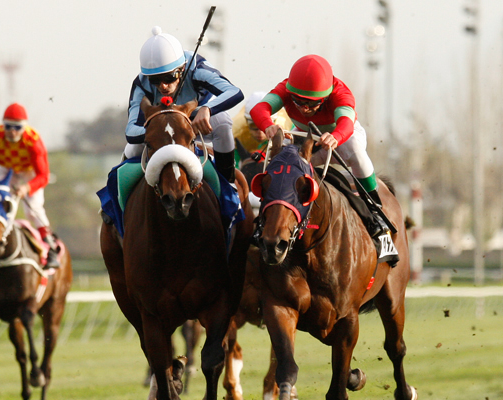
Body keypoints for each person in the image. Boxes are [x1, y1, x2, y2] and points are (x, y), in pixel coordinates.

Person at [249, 54, 390, 242]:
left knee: (357, 152)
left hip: (341, 136)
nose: (304, 108)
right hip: (306, 135)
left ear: (326, 96)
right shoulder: (285, 87)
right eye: (298, 101)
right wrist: (268, 125)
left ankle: (375, 210)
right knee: (279, 161)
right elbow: (258, 109)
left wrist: (336, 136)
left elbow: (346, 123)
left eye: (311, 103)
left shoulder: (341, 93)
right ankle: (265, 220)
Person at [125, 26, 243, 183]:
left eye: (169, 77)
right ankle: (117, 196)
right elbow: (131, 131)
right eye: (155, 80)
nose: (163, 86)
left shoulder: (197, 69)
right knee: (132, 148)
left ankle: (228, 182)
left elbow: (234, 92)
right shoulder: (142, 84)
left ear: (182, 69)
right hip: (161, 129)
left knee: (222, 122)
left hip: (196, 123)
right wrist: (159, 129)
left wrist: (206, 109)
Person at [0, 103, 61, 269]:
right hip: (6, 169)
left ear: (24, 127)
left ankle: (51, 249)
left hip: (29, 172)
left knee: (33, 208)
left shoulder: (33, 141)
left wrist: (27, 188)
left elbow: (43, 176)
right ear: (3, 126)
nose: (12, 131)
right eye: (8, 126)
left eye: (17, 127)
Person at [232, 91, 292, 166]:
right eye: (254, 125)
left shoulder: (287, 124)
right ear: (246, 121)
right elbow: (234, 165)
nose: (260, 132)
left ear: (275, 121)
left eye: (267, 126)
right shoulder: (234, 132)